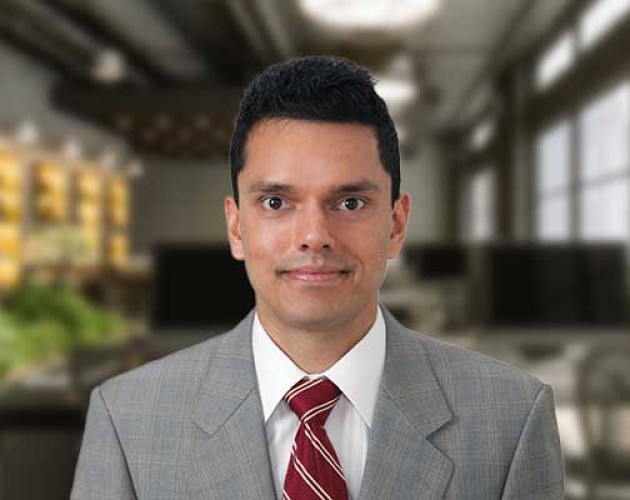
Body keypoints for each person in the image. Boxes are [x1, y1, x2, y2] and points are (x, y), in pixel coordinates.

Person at [71, 56, 564, 499]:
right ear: (236, 227)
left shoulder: (512, 418)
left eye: (349, 203)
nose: (313, 236)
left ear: (395, 226)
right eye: (276, 203)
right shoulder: (127, 421)